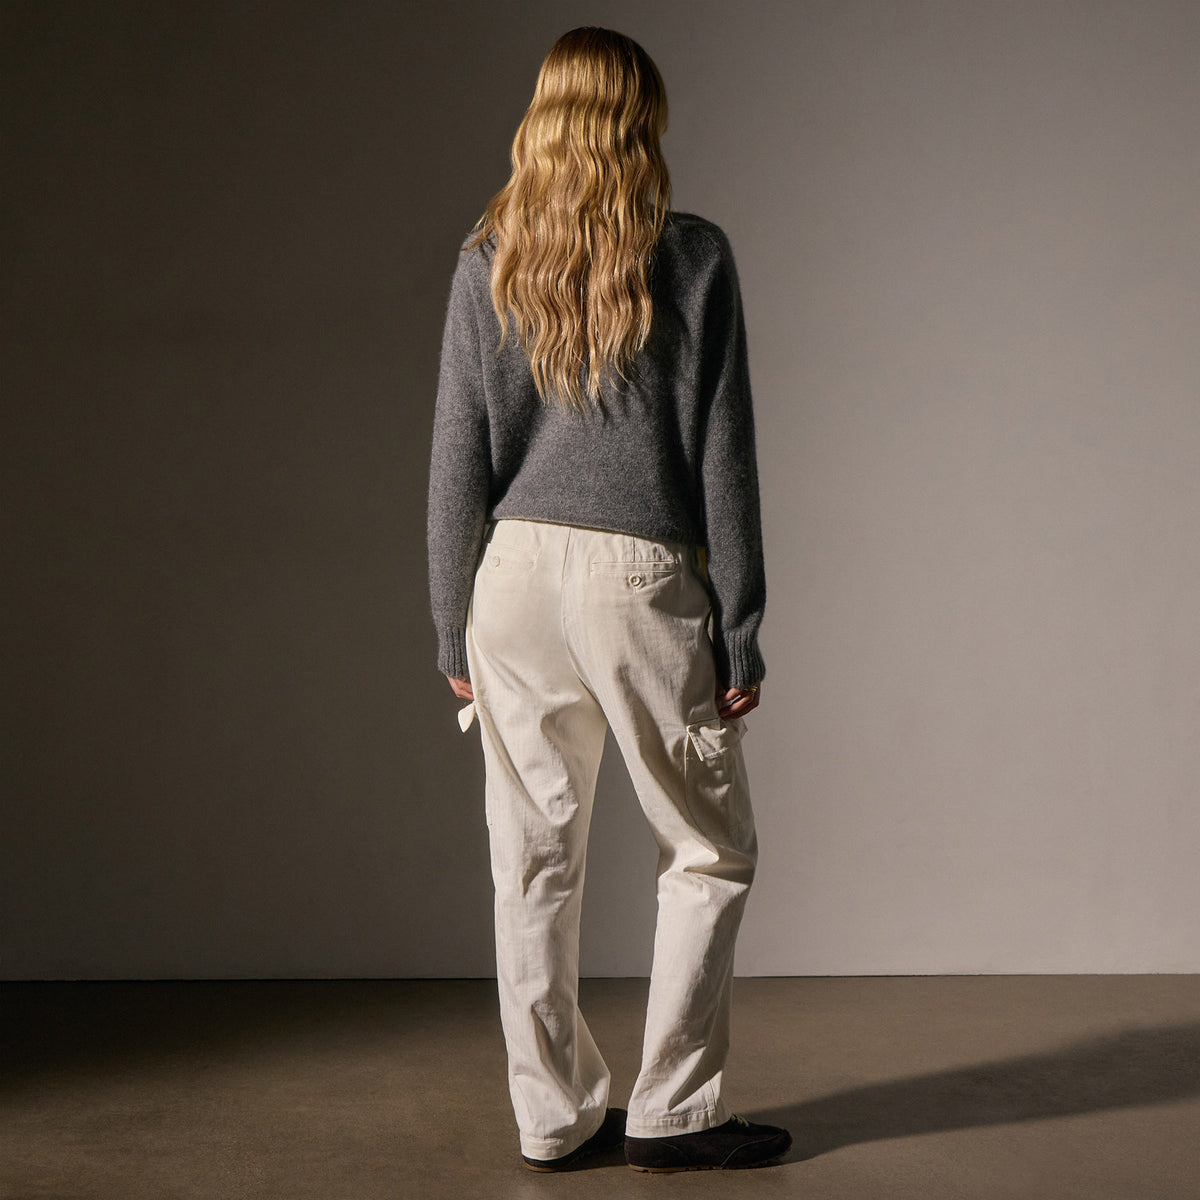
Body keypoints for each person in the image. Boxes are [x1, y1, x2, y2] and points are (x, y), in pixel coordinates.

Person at [426, 27, 790, 1174]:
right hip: (640, 577)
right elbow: (723, 454)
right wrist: (740, 624)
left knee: (532, 861)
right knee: (707, 850)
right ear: (644, 120)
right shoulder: (693, 257)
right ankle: (675, 1111)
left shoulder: (489, 259)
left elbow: (457, 461)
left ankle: (553, 1118)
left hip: (512, 580)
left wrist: (449, 624)